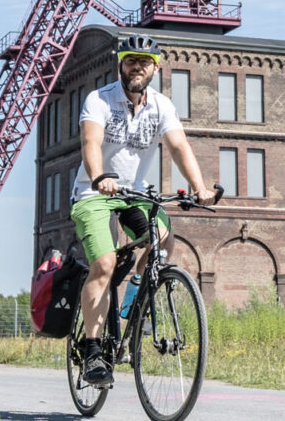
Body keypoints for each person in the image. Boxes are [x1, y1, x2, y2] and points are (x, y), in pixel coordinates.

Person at [71, 33, 215, 389]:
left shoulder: (161, 106)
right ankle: (92, 351)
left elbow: (179, 146)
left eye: (145, 62)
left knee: (164, 242)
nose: (138, 67)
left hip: (133, 194)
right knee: (103, 264)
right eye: (131, 60)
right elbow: (91, 142)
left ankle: (135, 299)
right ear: (120, 63)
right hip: (94, 192)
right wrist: (99, 175)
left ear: (156, 67)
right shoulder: (99, 100)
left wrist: (200, 188)